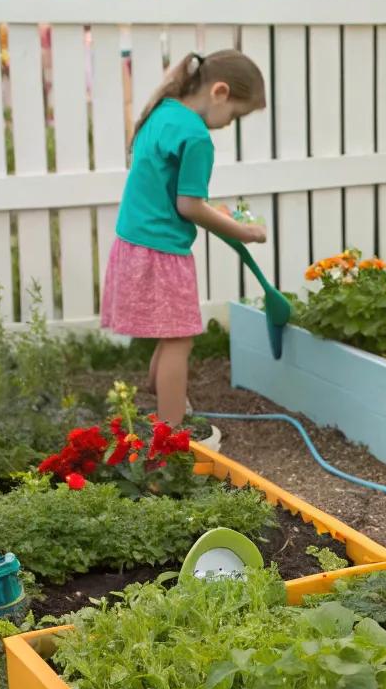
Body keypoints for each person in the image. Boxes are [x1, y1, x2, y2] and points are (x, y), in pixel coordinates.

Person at [101, 49, 268, 426]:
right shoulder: (197, 137)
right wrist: (245, 232)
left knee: (170, 330)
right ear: (220, 92)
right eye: (236, 115)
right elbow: (190, 206)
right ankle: (170, 436)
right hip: (161, 251)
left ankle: (157, 396)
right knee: (179, 339)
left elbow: (170, 190)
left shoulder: (163, 111)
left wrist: (216, 211)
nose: (230, 124)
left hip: (133, 243)